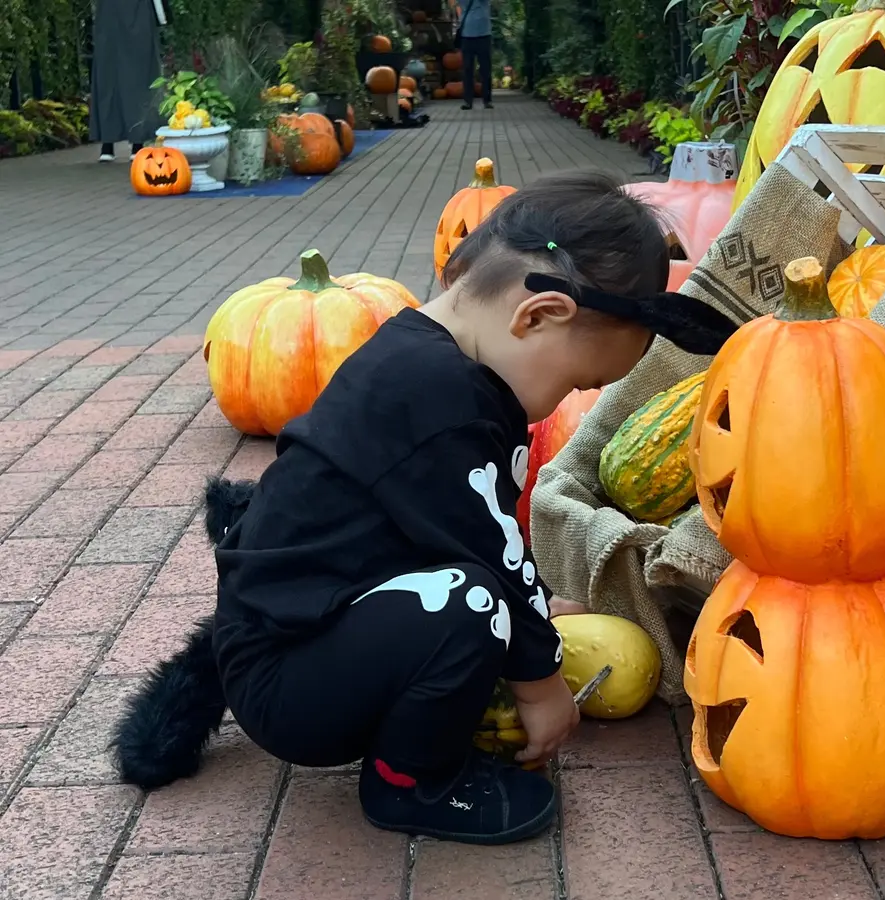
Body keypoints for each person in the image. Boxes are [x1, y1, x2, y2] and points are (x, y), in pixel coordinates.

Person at [111, 171, 740, 846]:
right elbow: (487, 550)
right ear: (537, 317)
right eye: (575, 383)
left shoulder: (427, 358)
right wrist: (540, 681)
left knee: (487, 597)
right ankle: (412, 781)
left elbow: (466, 525)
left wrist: (530, 611)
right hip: (293, 686)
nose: (564, 404)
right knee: (471, 602)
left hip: (309, 628)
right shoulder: (442, 399)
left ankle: (418, 716)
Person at [90, 0, 167, 161]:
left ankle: (133, 141)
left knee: (133, 73)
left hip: (127, 10)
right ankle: (111, 142)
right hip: (113, 12)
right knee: (110, 73)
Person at [458, 0, 493, 110]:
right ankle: (468, 101)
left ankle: (487, 100)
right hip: (467, 34)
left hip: (484, 34)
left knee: (485, 69)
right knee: (468, 69)